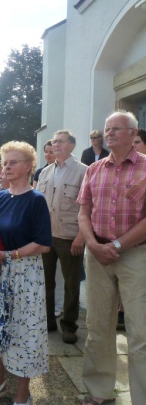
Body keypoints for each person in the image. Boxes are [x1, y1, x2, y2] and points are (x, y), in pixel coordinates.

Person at [0, 141, 52, 405]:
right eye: (5, 162)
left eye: (13, 162)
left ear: (29, 166)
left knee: (22, 333)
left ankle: (22, 394)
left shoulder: (36, 200)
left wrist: (10, 255)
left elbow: (43, 243)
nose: (6, 167)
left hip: (23, 275)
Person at [77, 110, 146, 405]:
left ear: (133, 134)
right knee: (98, 326)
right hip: (97, 254)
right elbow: (83, 212)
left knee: (140, 331)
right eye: (107, 129)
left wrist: (116, 246)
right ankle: (99, 391)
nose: (109, 133)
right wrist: (92, 243)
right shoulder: (94, 170)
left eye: (117, 129)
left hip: (134, 255)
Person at [37, 130, 87, 343]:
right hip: (46, 236)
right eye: (54, 141)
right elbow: (37, 206)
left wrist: (81, 237)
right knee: (45, 281)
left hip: (70, 236)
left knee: (71, 283)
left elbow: (88, 208)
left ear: (72, 145)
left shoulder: (84, 171)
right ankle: (48, 320)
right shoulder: (45, 172)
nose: (56, 145)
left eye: (61, 141)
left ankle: (69, 325)